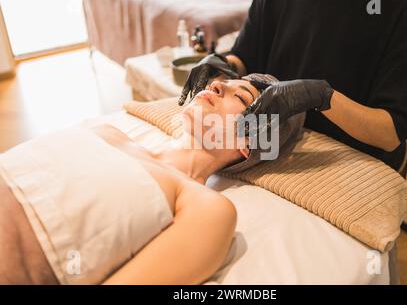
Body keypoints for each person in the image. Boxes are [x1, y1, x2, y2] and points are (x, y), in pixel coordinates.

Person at [0, 75, 301, 285]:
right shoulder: (108, 132)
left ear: (248, 143)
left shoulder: (208, 209)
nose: (217, 84)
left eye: (240, 96)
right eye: (222, 81)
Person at [180, 0, 407, 170]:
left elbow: (390, 134)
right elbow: (245, 57)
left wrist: (322, 97)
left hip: (346, 162)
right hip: (280, 148)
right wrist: (221, 64)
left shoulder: (396, 1)